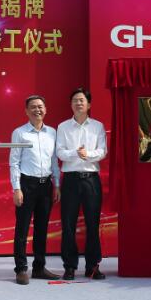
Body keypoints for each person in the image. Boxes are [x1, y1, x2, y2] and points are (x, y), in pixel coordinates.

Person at [9, 95, 61, 285]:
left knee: (42, 228)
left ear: (45, 109)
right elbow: (14, 162)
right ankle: (21, 269)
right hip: (27, 185)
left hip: (46, 185)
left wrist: (56, 184)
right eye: (33, 107)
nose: (37, 110)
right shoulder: (19, 133)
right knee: (22, 228)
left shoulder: (52, 132)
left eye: (40, 106)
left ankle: (39, 267)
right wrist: (17, 188)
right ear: (26, 111)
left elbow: (54, 160)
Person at [57, 88, 107, 280]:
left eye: (82, 100)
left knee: (93, 224)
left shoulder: (97, 126)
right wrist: (75, 153)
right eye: (75, 100)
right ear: (71, 105)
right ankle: (70, 266)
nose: (78, 103)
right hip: (70, 180)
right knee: (68, 224)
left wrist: (88, 155)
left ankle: (92, 266)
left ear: (89, 104)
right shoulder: (63, 127)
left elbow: (102, 151)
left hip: (91, 179)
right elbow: (60, 152)